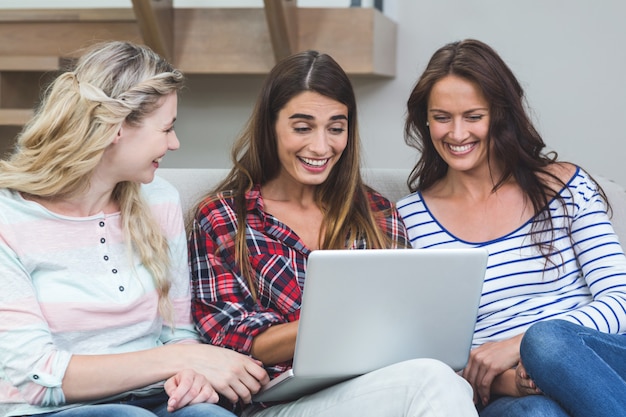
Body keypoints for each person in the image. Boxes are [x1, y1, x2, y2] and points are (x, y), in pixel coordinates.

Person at [188, 49, 478, 417]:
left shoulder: (375, 213)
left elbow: (409, 326)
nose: (321, 147)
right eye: (302, 127)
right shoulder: (225, 218)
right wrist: (351, 318)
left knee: (441, 378)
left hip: (377, 385)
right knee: (432, 380)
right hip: (279, 402)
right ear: (270, 126)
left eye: (336, 128)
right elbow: (231, 338)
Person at [0, 40, 269, 417]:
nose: (174, 144)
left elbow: (178, 332)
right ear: (116, 129)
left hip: (152, 398)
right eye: (166, 128)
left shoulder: (158, 199)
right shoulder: (9, 218)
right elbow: (37, 378)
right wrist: (180, 358)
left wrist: (188, 375)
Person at [396, 38, 626, 417]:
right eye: (441, 117)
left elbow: (620, 300)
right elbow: (432, 352)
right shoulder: (408, 222)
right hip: (507, 394)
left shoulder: (563, 185)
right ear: (425, 119)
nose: (456, 134)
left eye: (473, 116)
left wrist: (522, 346)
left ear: (500, 115)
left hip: (598, 361)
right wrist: (509, 381)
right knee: (538, 414)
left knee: (546, 341)